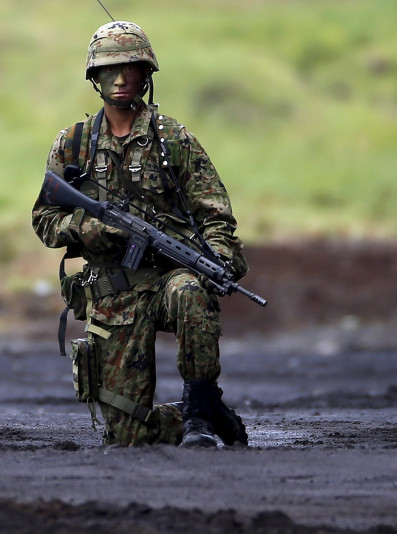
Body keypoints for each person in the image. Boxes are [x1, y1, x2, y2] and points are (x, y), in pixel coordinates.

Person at [32, 21, 251, 448]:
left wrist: (218, 257)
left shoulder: (171, 140)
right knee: (128, 437)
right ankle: (203, 418)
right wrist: (92, 227)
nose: (120, 79)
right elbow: (45, 219)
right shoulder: (74, 145)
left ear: (145, 74)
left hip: (170, 279)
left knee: (191, 290)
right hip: (114, 294)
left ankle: (201, 412)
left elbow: (215, 216)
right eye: (109, 70)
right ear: (94, 78)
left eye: (130, 69)